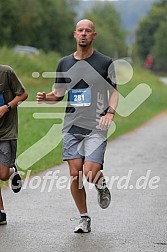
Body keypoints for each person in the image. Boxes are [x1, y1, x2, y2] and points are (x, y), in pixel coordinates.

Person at [36, 19, 118, 233]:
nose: (83, 34)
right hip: (72, 126)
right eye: (80, 30)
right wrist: (46, 97)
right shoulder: (64, 63)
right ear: (74, 34)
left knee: (90, 173)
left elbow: (114, 92)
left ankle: (100, 184)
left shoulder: (105, 62)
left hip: (96, 126)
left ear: (94, 35)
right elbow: (59, 94)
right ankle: (84, 218)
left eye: (87, 31)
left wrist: (110, 111)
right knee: (75, 174)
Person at [0, 64, 28, 225]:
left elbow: (23, 94)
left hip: (6, 132)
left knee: (2, 175)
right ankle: (1, 212)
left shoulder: (6, 72)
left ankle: (11, 171)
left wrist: (6, 107)